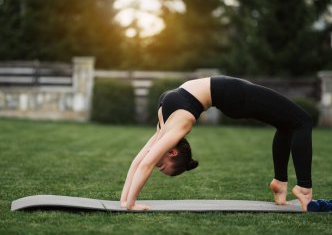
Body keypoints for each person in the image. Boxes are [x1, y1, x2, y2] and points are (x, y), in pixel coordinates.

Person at [120, 76, 313, 211]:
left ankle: (281, 183)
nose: (155, 163)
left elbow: (142, 161)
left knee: (290, 124)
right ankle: (301, 187)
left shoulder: (171, 128)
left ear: (172, 153)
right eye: (160, 165)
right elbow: (144, 161)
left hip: (234, 94)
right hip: (234, 95)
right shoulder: (179, 124)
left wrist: (127, 201)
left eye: (159, 165)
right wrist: (129, 203)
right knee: (301, 121)